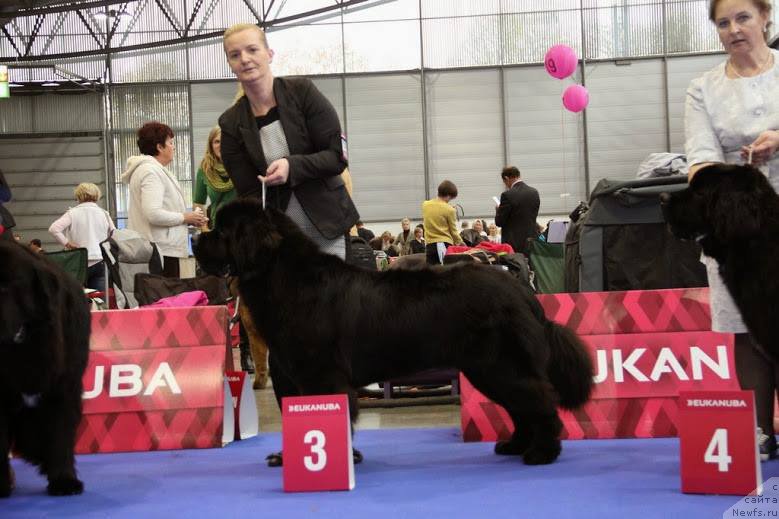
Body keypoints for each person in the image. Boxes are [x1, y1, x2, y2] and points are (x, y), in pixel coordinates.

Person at [218, 23, 360, 466]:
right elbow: (247, 193)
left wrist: (292, 166)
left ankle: (338, 436)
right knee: (284, 343)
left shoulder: (302, 94)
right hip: (279, 251)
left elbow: (336, 156)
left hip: (325, 233)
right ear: (230, 64)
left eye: (252, 50)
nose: (245, 59)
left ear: (269, 53)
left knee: (329, 340)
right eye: (235, 54)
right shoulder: (231, 124)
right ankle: (299, 437)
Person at [685, 0, 779, 460]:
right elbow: (699, 160)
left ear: (765, 18)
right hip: (737, 234)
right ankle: (760, 433)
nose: (734, 29)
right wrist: (725, 175)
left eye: (743, 17)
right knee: (746, 328)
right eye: (723, 23)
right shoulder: (703, 88)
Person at [121, 121, 207, 278]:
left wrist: (190, 219)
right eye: (171, 143)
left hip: (159, 250)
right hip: (160, 252)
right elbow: (153, 214)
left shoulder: (151, 170)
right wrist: (185, 217)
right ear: (159, 147)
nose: (173, 147)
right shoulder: (151, 172)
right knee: (165, 293)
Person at [48, 182, 115, 292]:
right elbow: (114, 234)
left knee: (76, 296)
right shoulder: (104, 213)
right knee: (100, 298)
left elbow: (54, 229)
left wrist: (67, 243)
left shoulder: (72, 213)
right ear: (97, 195)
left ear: (78, 195)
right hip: (100, 260)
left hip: (78, 261)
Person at [193, 126, 237, 229]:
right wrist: (204, 228)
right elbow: (198, 203)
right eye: (217, 142)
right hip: (217, 228)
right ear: (211, 145)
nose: (221, 145)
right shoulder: (205, 169)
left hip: (243, 229)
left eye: (225, 141)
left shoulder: (242, 166)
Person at [495, 166, 540, 255]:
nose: (506, 185)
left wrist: (498, 210)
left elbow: (499, 222)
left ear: (506, 178)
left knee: (515, 263)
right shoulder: (534, 192)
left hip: (513, 243)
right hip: (531, 240)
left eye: (504, 182)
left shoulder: (507, 195)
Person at [422, 180, 464, 265]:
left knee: (431, 270)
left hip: (429, 245)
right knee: (444, 270)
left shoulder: (425, 204)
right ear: (448, 195)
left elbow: (436, 211)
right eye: (451, 198)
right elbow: (453, 231)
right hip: (442, 244)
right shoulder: (450, 210)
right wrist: (461, 243)